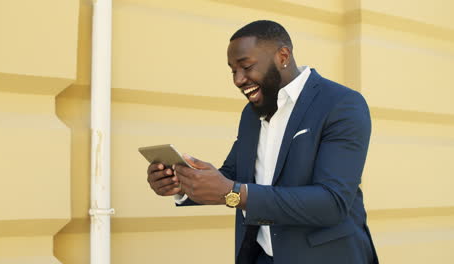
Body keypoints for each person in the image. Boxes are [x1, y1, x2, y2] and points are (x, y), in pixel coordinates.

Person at [147, 20, 378, 264]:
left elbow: (332, 202)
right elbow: (233, 176)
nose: (237, 79)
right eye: (232, 70)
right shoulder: (251, 113)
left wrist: (233, 193)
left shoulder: (341, 104)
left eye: (246, 67)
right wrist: (182, 184)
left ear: (283, 56)